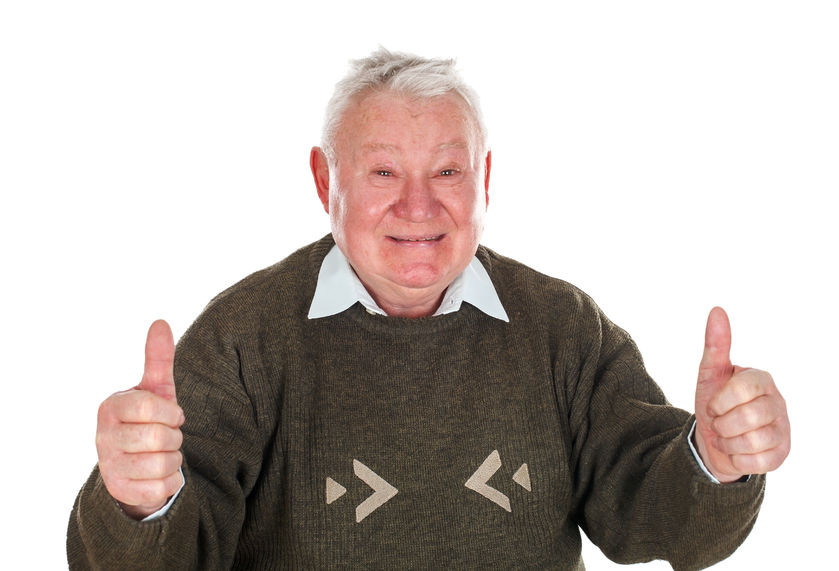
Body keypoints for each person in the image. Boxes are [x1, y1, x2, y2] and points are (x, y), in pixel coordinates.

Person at [67, 48, 790, 569]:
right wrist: (136, 503)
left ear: (483, 178)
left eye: (446, 170)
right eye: (382, 171)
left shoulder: (563, 328)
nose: (418, 206)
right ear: (325, 181)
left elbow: (654, 519)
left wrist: (714, 462)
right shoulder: (244, 337)